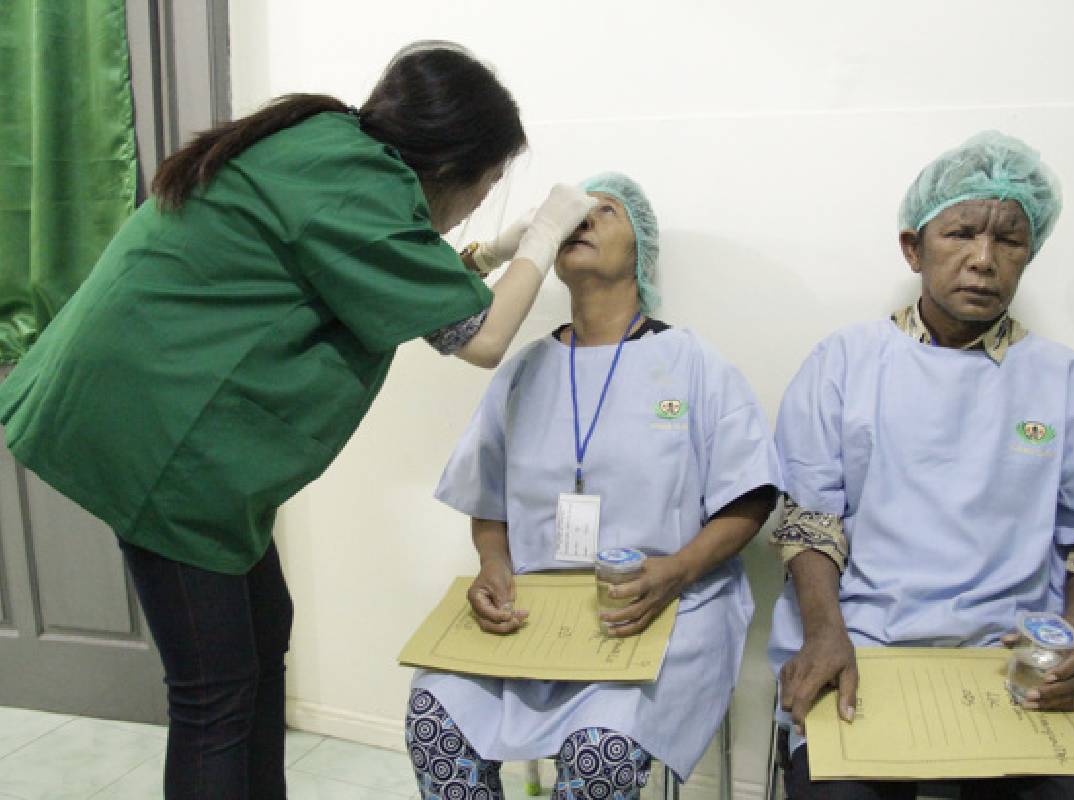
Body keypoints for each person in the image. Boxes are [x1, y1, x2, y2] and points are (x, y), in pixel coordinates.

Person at [0, 42, 595, 800]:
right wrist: (540, 242)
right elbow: (478, 338)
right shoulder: (357, 186)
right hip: (158, 441)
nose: (481, 205)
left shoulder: (333, 149)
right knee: (214, 694)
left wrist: (495, 252)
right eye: (486, 188)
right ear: (447, 162)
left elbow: (390, 275)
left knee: (263, 632)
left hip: (160, 416)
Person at [767, 131, 1074, 800]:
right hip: (866, 650)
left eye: (1008, 240)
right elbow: (810, 522)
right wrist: (826, 632)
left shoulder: (1066, 381)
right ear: (913, 247)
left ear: (1029, 254)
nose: (984, 260)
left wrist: (1070, 640)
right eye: (960, 234)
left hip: (1010, 662)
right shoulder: (844, 364)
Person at [409, 173, 780, 799]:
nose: (581, 220)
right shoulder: (523, 369)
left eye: (604, 212)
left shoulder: (692, 364)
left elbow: (750, 497)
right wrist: (494, 566)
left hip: (658, 607)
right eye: (573, 213)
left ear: (643, 251)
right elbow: (487, 495)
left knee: (599, 748)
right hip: (535, 612)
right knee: (434, 719)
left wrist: (678, 571)